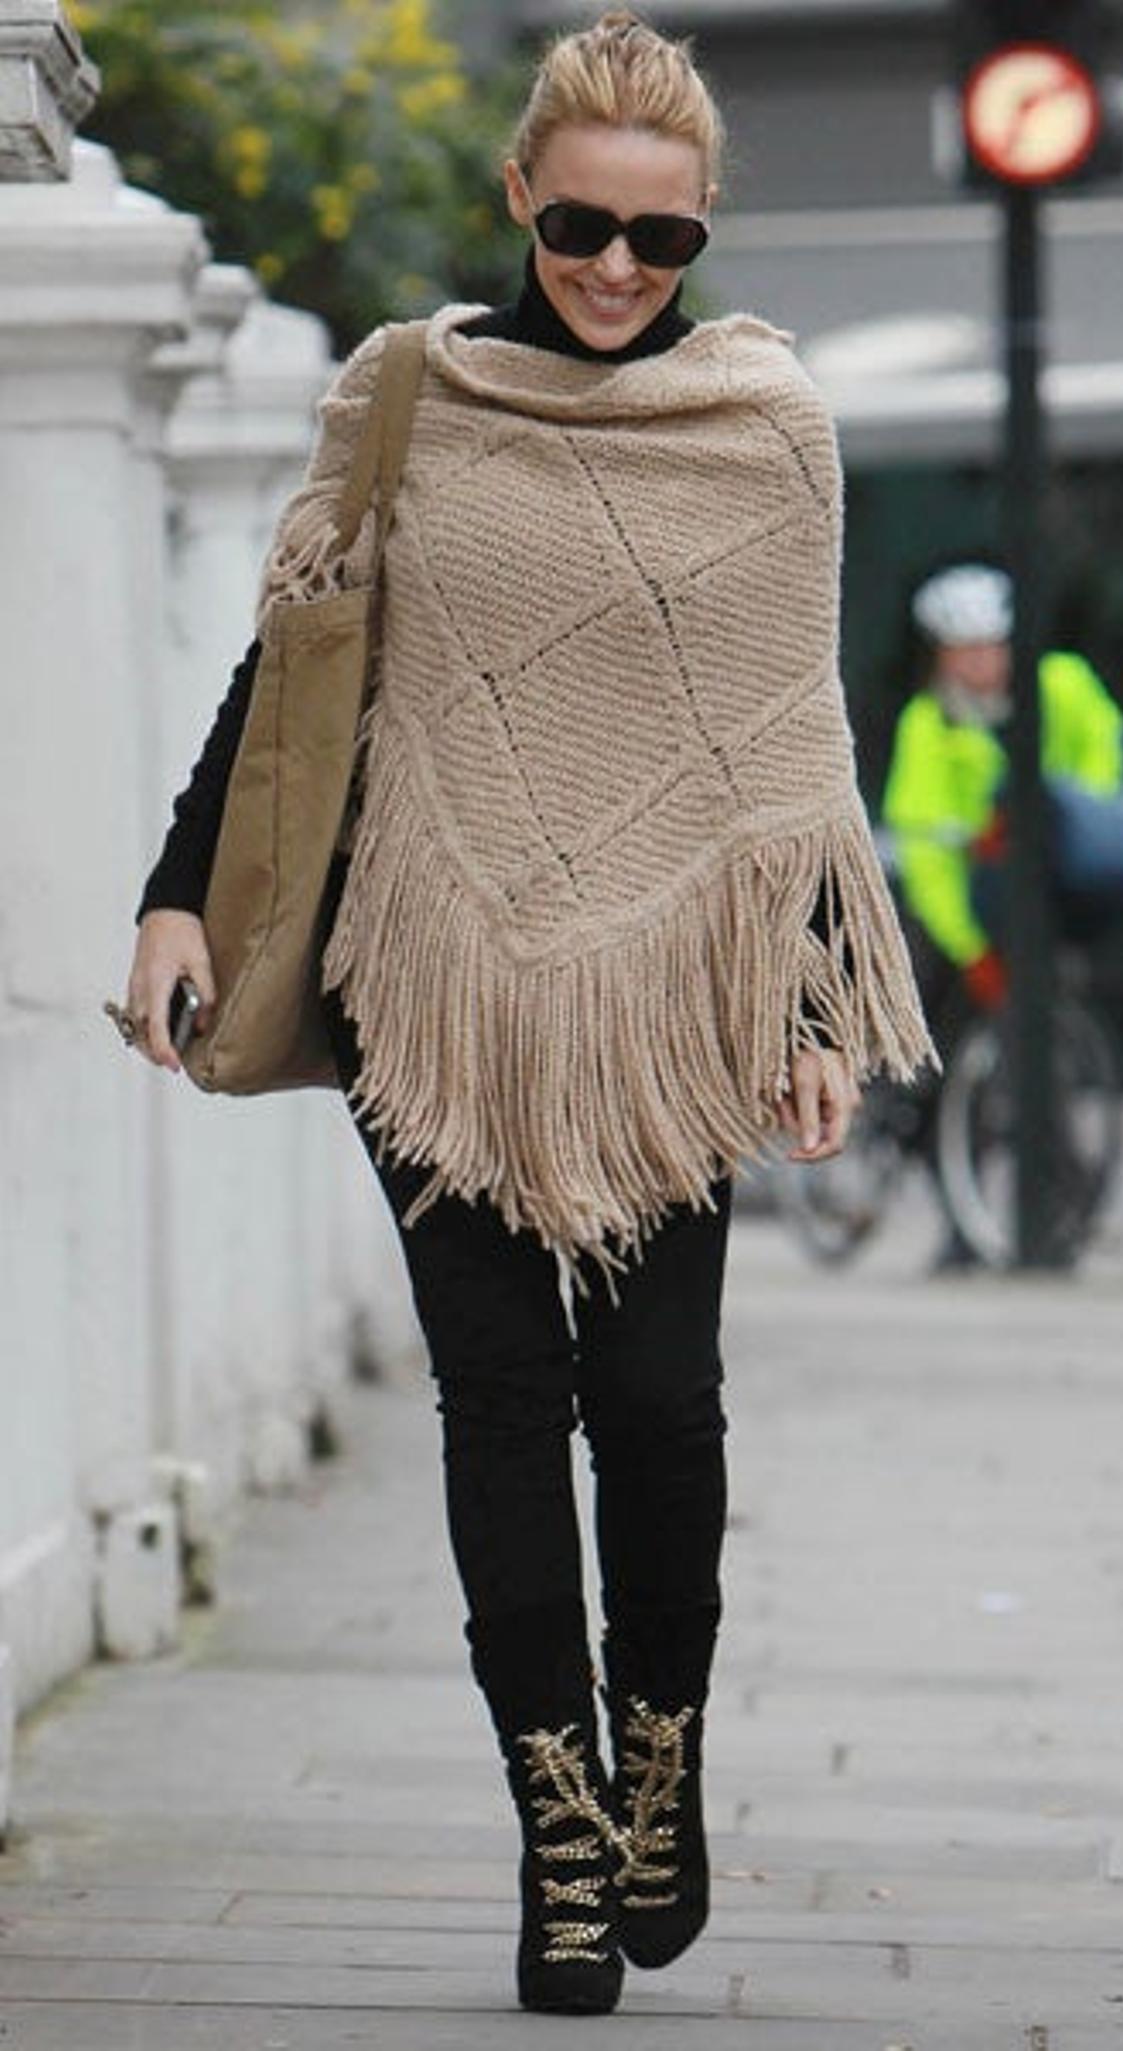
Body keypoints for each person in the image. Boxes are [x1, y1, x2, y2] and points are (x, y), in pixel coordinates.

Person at [121, 9, 933, 2017]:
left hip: (668, 994)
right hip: (432, 968)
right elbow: (296, 672)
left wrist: (812, 1004)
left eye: (662, 237)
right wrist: (173, 892)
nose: (616, 269)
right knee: (502, 1394)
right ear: (519, 196)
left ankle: (660, 1755)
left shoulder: (768, 425)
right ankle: (559, 1828)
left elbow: (788, 751)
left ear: (706, 225)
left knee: (655, 1397)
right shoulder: (411, 394)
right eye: (580, 225)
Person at [883, 561, 1123, 1019]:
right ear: (942, 654)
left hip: (1064, 874)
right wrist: (971, 949)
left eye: (992, 645)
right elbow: (924, 850)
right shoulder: (926, 725)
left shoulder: (1064, 683)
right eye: (965, 649)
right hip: (982, 898)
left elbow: (1104, 751)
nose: (981, 661)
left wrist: (1068, 813)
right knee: (928, 985)